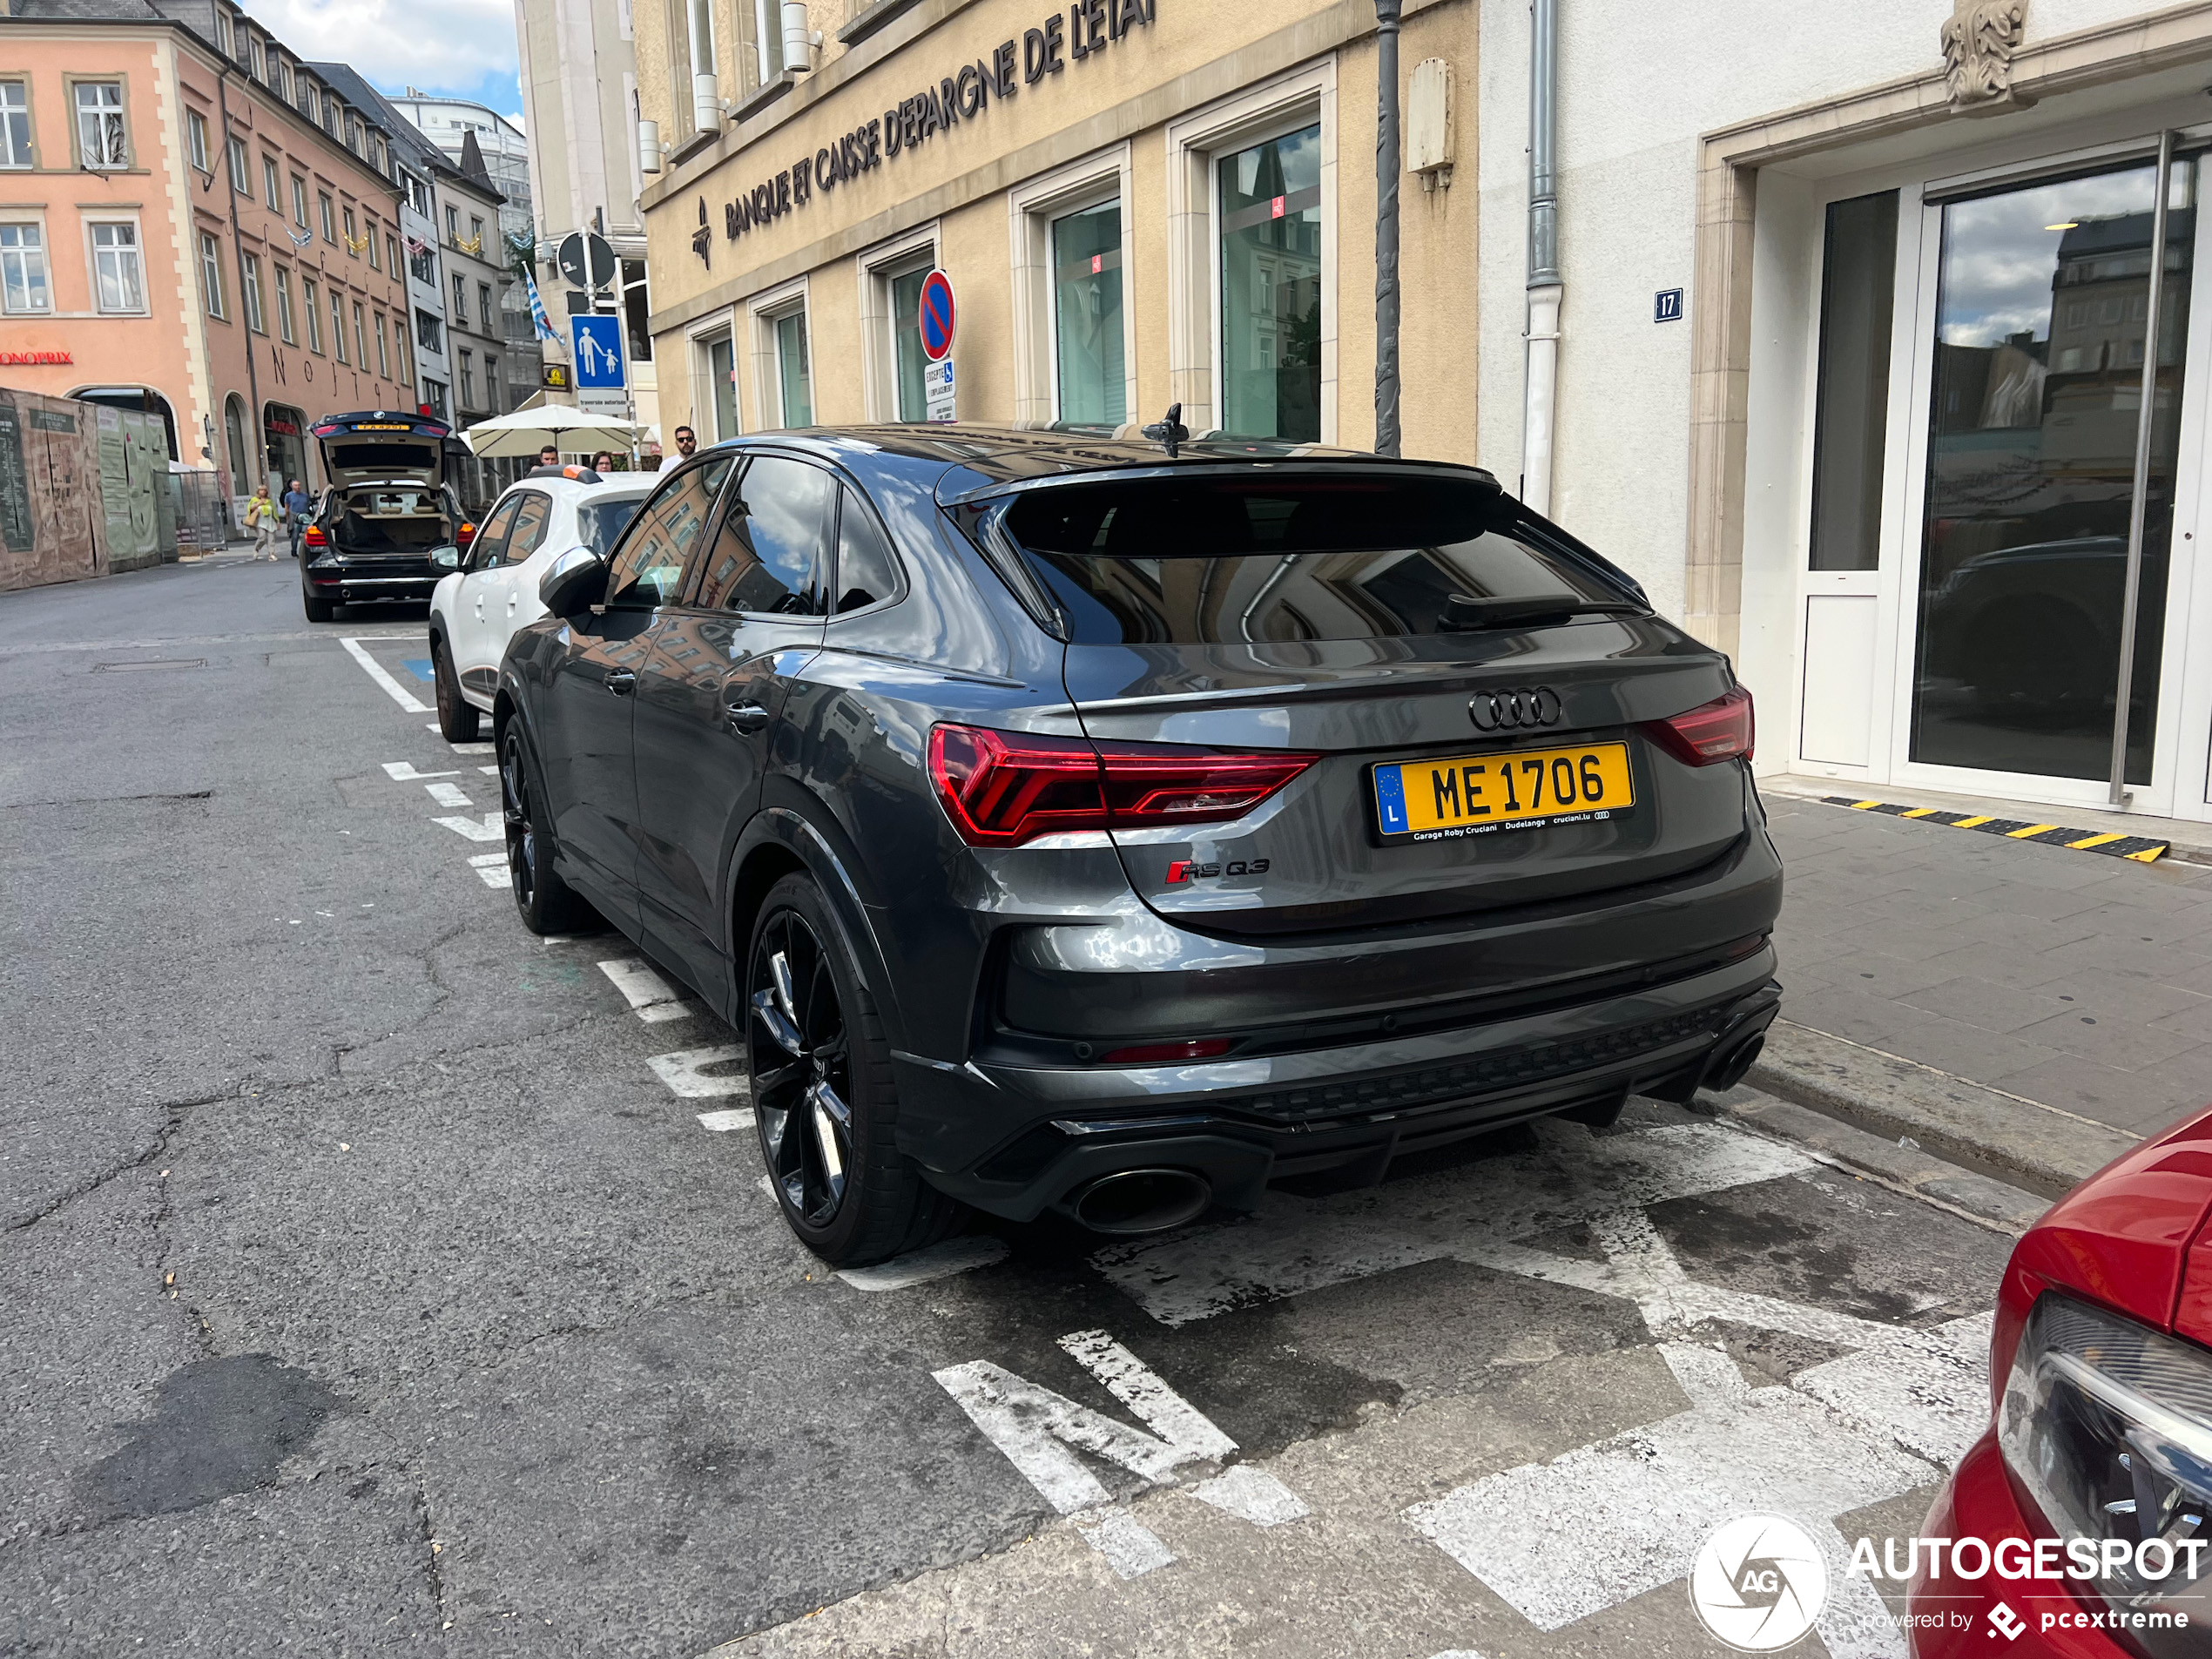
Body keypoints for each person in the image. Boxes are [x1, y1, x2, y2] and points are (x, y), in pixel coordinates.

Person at [245, 484, 280, 558]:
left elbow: (274, 511)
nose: (263, 492)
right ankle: (256, 549)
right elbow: (250, 509)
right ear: (258, 491)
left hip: (270, 521)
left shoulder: (269, 501)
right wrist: (258, 504)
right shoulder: (254, 500)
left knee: (271, 538)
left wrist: (277, 521)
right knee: (262, 537)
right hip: (260, 522)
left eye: (264, 490)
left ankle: (271, 553)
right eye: (261, 490)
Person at [282, 477, 311, 559]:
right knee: (295, 534)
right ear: (292, 486)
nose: (297, 487)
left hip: (305, 516)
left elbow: (308, 504)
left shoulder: (305, 495)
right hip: (295, 516)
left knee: (307, 533)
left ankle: (307, 550)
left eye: (298, 485)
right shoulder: (289, 496)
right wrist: (288, 518)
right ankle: (294, 551)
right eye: (295, 485)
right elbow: (287, 507)